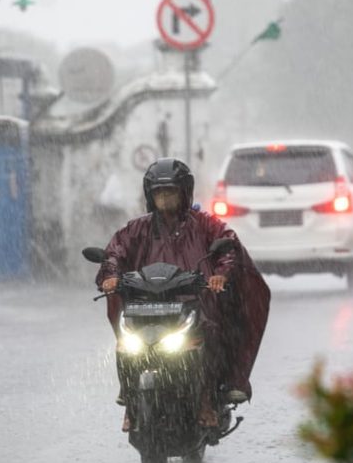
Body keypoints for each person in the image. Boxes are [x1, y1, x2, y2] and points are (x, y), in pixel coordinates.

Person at [95, 158, 270, 430]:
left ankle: (206, 402)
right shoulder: (136, 228)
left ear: (184, 192)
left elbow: (229, 249)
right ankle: (131, 400)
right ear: (150, 196)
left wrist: (220, 275)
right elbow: (115, 252)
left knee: (211, 335)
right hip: (146, 307)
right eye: (159, 193)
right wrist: (110, 275)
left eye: (170, 191)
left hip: (194, 306)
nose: (164, 198)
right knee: (125, 343)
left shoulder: (206, 225)